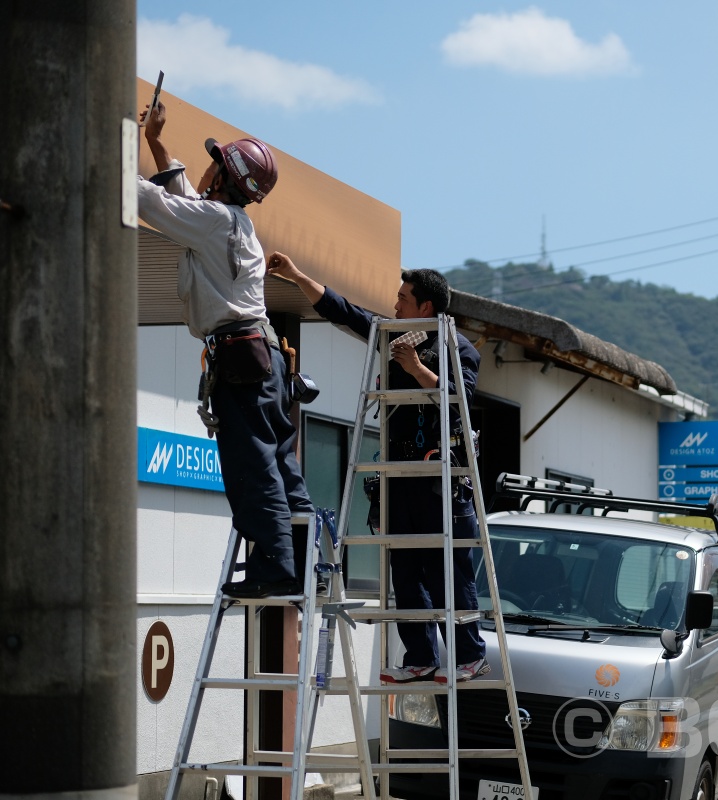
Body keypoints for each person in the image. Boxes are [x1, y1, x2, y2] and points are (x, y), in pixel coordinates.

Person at [265, 253, 489, 684]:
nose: (396, 305)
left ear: (427, 307)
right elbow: (344, 310)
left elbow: (458, 397)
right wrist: (295, 276)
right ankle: (420, 656)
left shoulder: (457, 347)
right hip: (398, 470)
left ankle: (469, 656)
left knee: (447, 569)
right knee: (404, 568)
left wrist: (413, 366)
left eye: (404, 298)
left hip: (439, 474)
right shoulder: (391, 334)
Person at [136, 102, 313, 599]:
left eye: (214, 161)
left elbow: (154, 203)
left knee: (251, 464)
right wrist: (156, 141)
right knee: (279, 461)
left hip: (242, 356)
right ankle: (301, 561)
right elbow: (184, 199)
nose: (206, 166)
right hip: (262, 355)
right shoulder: (231, 222)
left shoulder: (214, 223)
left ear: (223, 175)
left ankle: (275, 569)